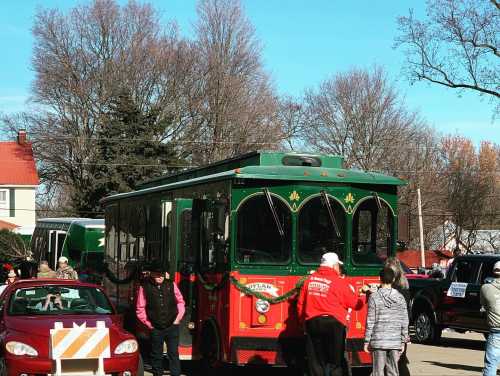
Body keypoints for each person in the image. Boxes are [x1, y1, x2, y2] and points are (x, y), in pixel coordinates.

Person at [297, 252, 369, 376]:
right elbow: (355, 304)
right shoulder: (339, 282)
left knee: (316, 362)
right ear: (334, 266)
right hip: (334, 324)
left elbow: (300, 305)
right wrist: (363, 297)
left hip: (313, 323)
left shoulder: (309, 280)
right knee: (336, 362)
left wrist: (302, 323)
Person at [136, 263, 185, 376]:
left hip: (172, 326)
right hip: (156, 328)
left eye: (162, 275)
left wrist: (177, 319)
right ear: (151, 274)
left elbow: (180, 301)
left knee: (173, 353)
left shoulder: (171, 284)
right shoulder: (145, 287)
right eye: (157, 275)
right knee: (156, 355)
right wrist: (149, 324)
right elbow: (140, 308)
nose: (160, 277)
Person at [364, 267, 410, 376]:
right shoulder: (400, 298)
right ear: (393, 279)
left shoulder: (374, 297)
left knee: (377, 372)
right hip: (395, 341)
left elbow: (370, 321)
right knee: (393, 372)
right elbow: (404, 320)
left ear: (379, 279)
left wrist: (367, 341)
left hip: (378, 341)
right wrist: (403, 340)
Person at [384, 257, 411, 376]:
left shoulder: (394, 290)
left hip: (394, 329)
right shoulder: (404, 286)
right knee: (399, 361)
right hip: (401, 328)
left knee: (394, 362)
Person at [480, 261, 500, 376]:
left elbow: (483, 305)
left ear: (493, 272)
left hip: (496, 331)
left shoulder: (486, 288)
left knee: (491, 364)